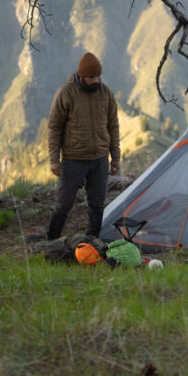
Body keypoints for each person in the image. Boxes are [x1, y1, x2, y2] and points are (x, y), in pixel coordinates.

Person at [46, 52, 120, 239]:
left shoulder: (106, 93)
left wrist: (116, 157)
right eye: (91, 77)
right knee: (63, 204)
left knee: (97, 203)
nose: (96, 80)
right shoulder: (65, 93)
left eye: (98, 76)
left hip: (100, 158)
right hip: (74, 159)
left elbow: (113, 125)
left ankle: (92, 241)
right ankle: (51, 241)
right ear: (81, 76)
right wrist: (54, 160)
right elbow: (54, 127)